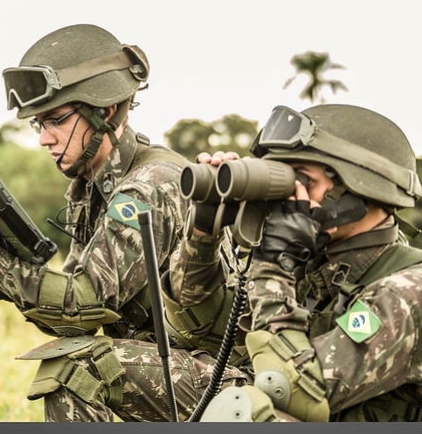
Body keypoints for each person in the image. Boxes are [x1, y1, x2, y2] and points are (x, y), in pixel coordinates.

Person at [0, 23, 249, 421]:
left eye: (56, 119)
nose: (44, 138)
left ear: (104, 111)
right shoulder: (91, 188)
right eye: (39, 124)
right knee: (76, 359)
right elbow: (73, 324)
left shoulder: (152, 184)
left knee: (77, 370)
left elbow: (80, 302)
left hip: (227, 382)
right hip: (176, 366)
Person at [169, 103, 422, 422]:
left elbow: (285, 391)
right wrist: (203, 231)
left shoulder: (406, 292)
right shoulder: (316, 267)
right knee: (104, 366)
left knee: (242, 411)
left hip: (300, 399)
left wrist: (274, 263)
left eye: (303, 181)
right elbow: (199, 323)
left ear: (355, 189)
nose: (287, 198)